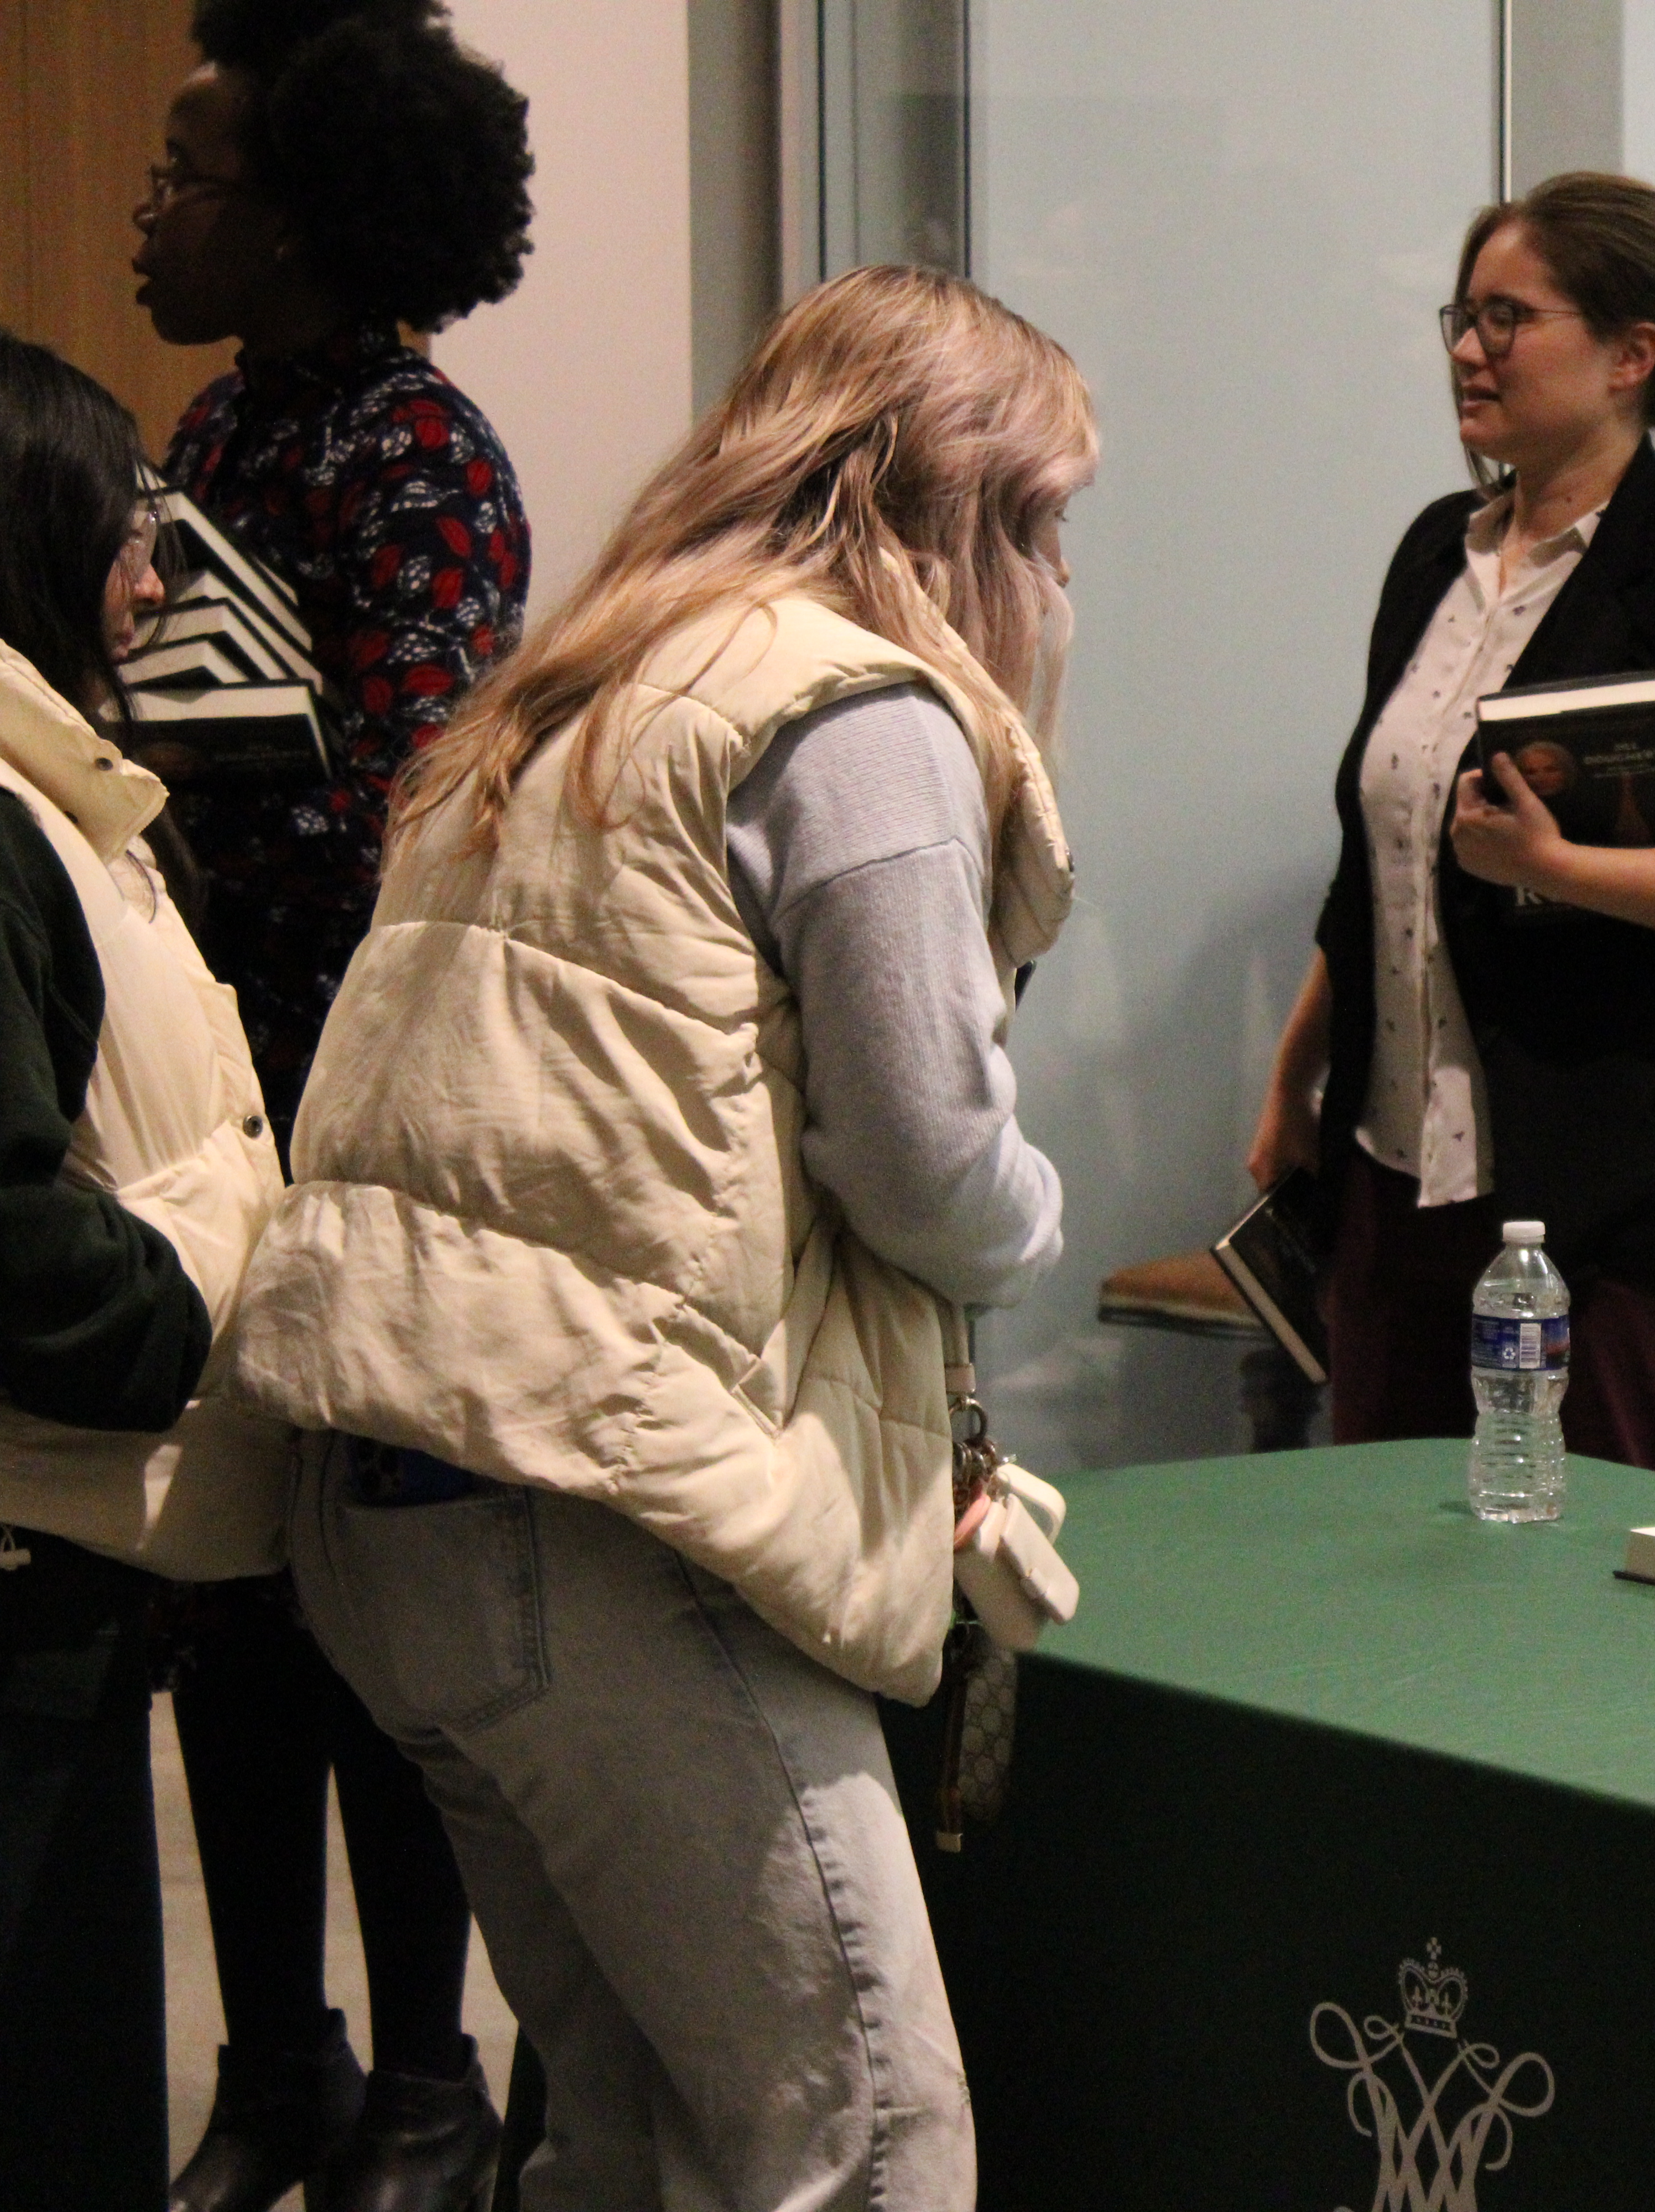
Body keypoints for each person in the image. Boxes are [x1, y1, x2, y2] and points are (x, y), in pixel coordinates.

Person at [227, 262, 1086, 2212]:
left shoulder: (591, 674)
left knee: (624, 2143)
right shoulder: (858, 708)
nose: (1057, 584)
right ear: (958, 505)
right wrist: (1032, 1215)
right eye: (1047, 520)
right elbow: (933, 1160)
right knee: (863, 2147)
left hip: (402, 1513)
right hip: (622, 1513)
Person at [127, 7, 534, 2204]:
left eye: (186, 177)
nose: (150, 212)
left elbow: (427, 812)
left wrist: (187, 805)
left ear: (306, 211)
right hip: (203, 1111)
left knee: (377, 1623)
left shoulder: (422, 458)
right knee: (227, 1607)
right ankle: (270, 2059)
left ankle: (429, 2083)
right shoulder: (208, 426)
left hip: (357, 1117)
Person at [1248, 170, 1655, 1480]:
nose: (1470, 351)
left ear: (1632, 355)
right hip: (1397, 1167)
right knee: (1387, 1555)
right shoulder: (1434, 557)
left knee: (1582, 1584)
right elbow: (1381, 863)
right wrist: (1298, 1077)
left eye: (1509, 319)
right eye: (1462, 318)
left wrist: (1559, 869)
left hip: (1618, 1193)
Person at [0, 332, 290, 2212]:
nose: (155, 579)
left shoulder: (58, 798)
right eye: (127, 529)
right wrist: (233, 1244)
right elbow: (32, 1269)